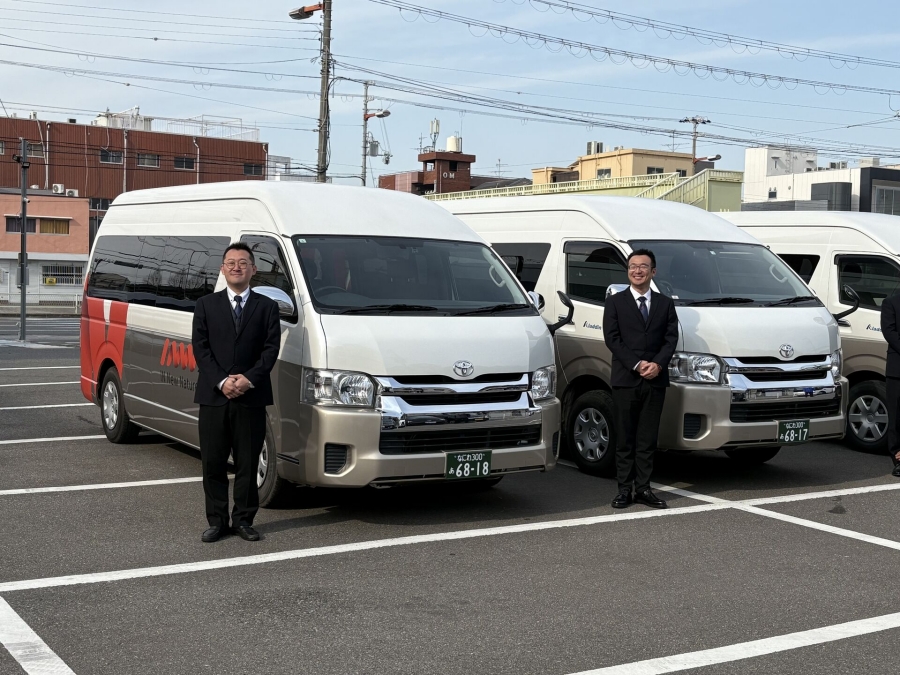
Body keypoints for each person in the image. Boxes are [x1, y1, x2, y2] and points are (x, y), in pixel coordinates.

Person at [192, 243, 281, 542]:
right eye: (230, 262)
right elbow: (200, 349)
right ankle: (217, 521)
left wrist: (248, 379)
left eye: (243, 262)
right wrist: (222, 381)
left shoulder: (267, 307)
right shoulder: (206, 305)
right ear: (222, 268)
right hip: (214, 397)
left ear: (253, 269)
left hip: (251, 396)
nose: (236, 267)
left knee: (248, 462)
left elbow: (270, 351)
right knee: (213, 463)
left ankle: (244, 519)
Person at [602, 248, 679, 509]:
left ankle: (644, 489)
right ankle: (624, 490)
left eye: (643, 266)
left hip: (655, 380)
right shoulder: (615, 302)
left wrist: (658, 364)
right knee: (625, 438)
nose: (637, 271)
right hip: (626, 378)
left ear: (652, 271)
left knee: (647, 439)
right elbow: (612, 339)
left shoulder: (665, 303)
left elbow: (671, 339)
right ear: (628, 271)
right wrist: (637, 364)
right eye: (633, 266)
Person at [879, 293, 900, 478]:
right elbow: (889, 332)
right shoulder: (891, 303)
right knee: (896, 416)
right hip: (897, 369)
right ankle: (898, 458)